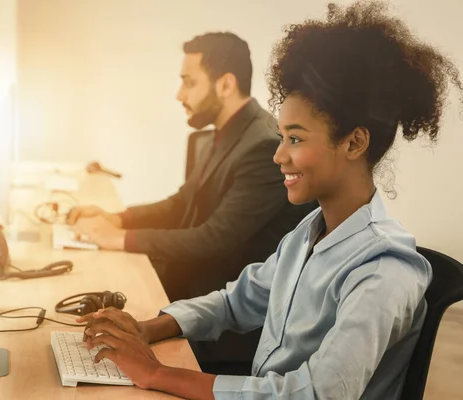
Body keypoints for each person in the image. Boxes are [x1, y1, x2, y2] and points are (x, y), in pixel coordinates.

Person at [74, 1, 463, 399]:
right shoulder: (307, 235)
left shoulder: (384, 272)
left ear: (353, 142)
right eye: (281, 137)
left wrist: (156, 374)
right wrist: (146, 328)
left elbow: (315, 394)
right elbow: (236, 302)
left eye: (295, 139)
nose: (278, 155)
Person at [67, 32, 315, 373]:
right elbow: (182, 203)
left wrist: (117, 239)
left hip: (227, 329)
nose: (179, 94)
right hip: (197, 299)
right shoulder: (226, 132)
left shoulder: (261, 145)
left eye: (189, 82)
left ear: (225, 84)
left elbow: (214, 239)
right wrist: (117, 218)